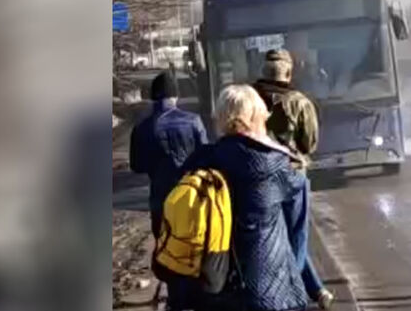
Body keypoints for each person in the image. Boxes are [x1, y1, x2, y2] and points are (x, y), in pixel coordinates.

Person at [180, 85, 311, 311]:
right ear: (255, 117)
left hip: (214, 282)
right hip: (270, 288)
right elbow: (297, 221)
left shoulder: (200, 160)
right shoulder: (274, 164)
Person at [252, 50, 334, 309]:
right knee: (296, 236)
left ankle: (317, 290)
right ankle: (293, 292)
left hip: (258, 176)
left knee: (274, 236)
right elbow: (309, 144)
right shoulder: (300, 102)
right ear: (288, 73)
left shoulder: (251, 99)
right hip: (292, 175)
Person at [129, 69, 208, 307]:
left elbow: (136, 166)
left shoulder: (142, 128)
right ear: (175, 96)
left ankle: (176, 298)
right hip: (192, 197)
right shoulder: (193, 121)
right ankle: (198, 294)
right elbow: (206, 155)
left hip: (160, 199)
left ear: (154, 97)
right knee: (196, 243)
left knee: (167, 249)